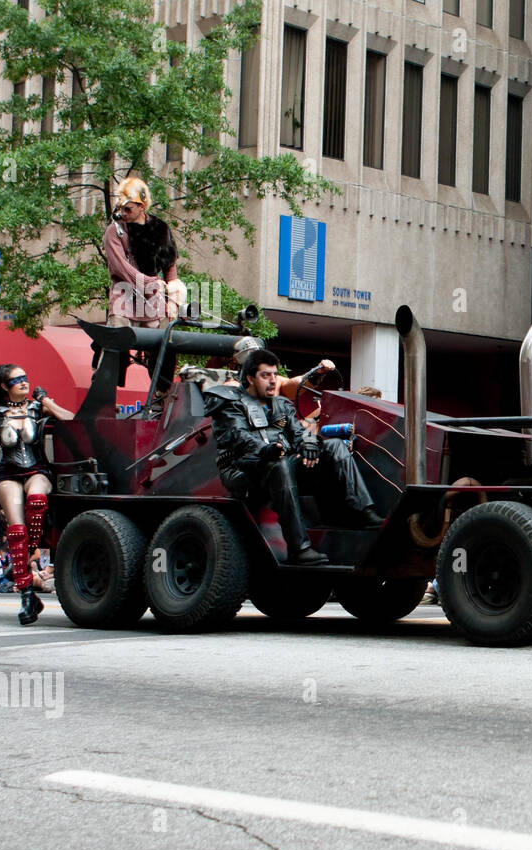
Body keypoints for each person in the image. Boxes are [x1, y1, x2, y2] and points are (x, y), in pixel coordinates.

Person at [203, 349, 382, 565]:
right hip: (244, 470)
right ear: (250, 377)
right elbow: (238, 436)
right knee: (278, 463)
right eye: (265, 375)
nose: (272, 381)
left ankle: (363, 512)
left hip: (281, 464)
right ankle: (299, 548)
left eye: (274, 375)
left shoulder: (281, 405)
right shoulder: (229, 401)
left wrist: (309, 445)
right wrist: (265, 450)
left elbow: (300, 433)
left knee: (334, 446)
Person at [0, 365, 75, 625]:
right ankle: (27, 595)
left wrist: (46, 401)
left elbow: (71, 420)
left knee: (37, 500)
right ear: (3, 386)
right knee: (16, 530)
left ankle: (26, 554)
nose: (24, 382)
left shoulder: (36, 407)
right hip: (6, 472)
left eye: (25, 378)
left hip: (37, 469)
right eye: (16, 380)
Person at [104, 176, 184, 328]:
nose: (124, 213)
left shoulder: (160, 229)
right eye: (121, 208)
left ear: (141, 206)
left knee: (161, 346)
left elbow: (169, 265)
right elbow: (121, 268)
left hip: (153, 303)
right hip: (123, 300)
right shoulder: (114, 231)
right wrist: (150, 283)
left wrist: (172, 300)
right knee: (115, 346)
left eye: (128, 209)